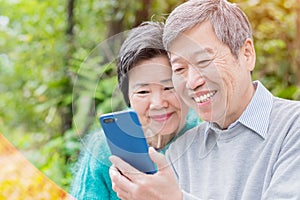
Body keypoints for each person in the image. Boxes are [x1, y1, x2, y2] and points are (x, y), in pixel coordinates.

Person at [109, 0, 300, 199]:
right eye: (180, 69)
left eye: (204, 61)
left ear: (247, 54)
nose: (192, 82)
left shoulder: (292, 127)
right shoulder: (181, 151)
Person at [70, 21, 200, 199]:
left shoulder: (204, 139)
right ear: (128, 96)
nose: (158, 103)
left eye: (168, 88)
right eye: (143, 91)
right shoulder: (103, 149)